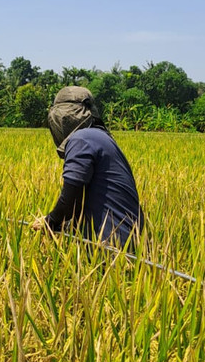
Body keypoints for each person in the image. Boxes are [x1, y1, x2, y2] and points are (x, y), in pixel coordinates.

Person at [31, 86, 143, 246]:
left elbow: (71, 198)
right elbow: (89, 203)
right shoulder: (102, 138)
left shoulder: (81, 138)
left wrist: (50, 221)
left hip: (110, 245)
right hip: (131, 243)